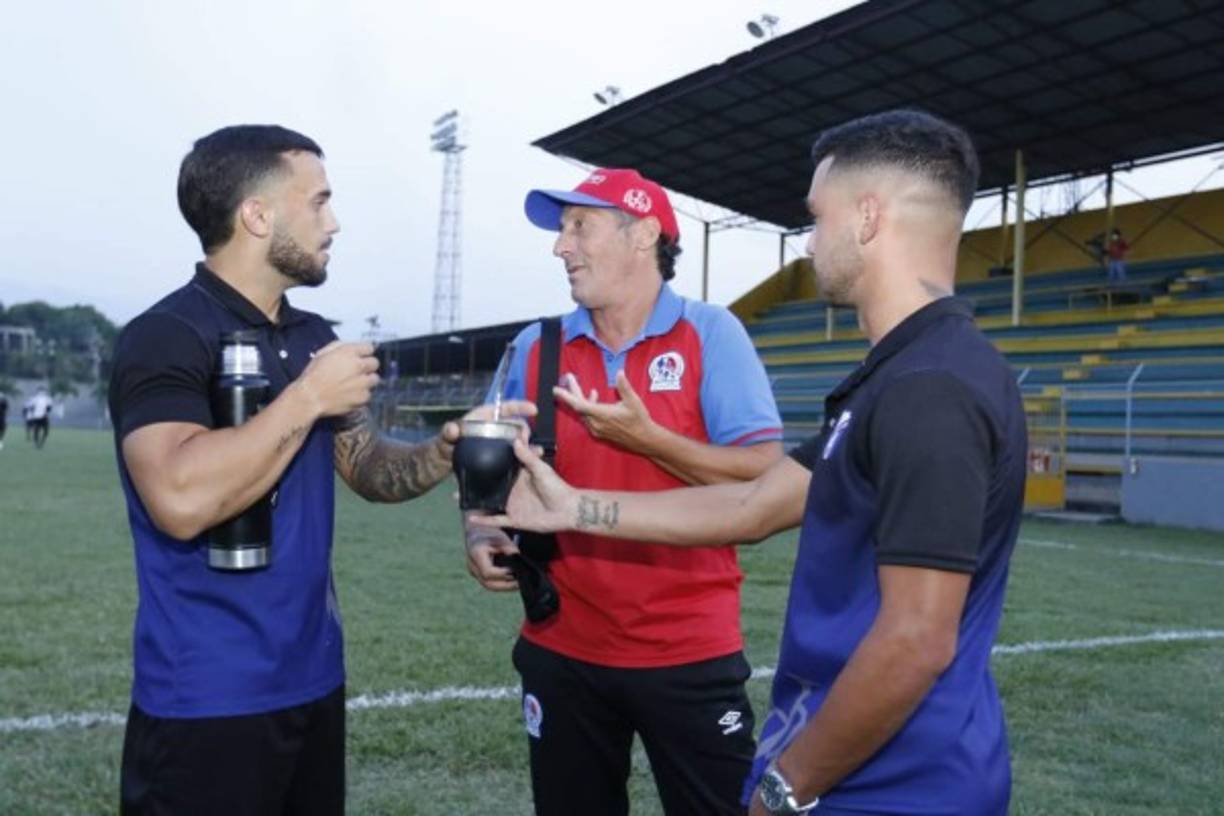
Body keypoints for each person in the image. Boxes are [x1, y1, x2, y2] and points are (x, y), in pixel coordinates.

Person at [476, 110, 1026, 816]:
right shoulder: (893, 376)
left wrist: (785, 787)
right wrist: (573, 507)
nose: (809, 240)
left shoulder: (930, 389)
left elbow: (916, 640)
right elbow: (753, 506)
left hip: (903, 784)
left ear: (866, 218)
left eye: (817, 217)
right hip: (863, 767)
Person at [108, 125, 532, 816]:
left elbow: (366, 466)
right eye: (319, 201)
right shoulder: (167, 335)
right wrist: (306, 397)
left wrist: (445, 447)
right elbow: (178, 498)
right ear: (257, 215)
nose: (334, 222)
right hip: (206, 695)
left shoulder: (313, 339)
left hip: (311, 680)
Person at [464, 167, 784, 815]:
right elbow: (487, 463)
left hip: (688, 650)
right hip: (560, 649)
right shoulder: (536, 347)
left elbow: (763, 481)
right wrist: (480, 528)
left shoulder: (711, 334)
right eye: (561, 230)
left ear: (642, 234)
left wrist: (651, 439)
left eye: (579, 226)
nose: (561, 247)